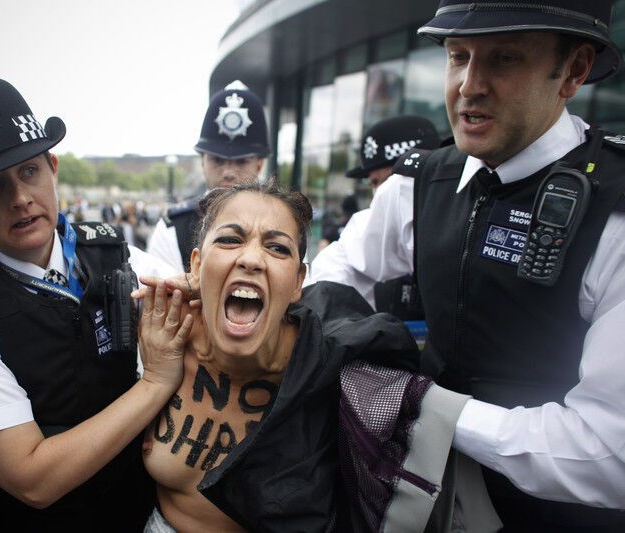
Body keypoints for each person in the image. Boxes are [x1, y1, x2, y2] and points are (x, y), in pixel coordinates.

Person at [334, 1, 625, 530]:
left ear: (574, 70)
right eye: (457, 56)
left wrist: (430, 409)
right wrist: (357, 352)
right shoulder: (419, 182)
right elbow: (337, 267)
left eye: (504, 59)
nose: (469, 85)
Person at [0, 77, 183, 532]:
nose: (20, 199)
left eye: (29, 172)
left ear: (52, 167)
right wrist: (155, 383)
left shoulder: (114, 254)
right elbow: (33, 479)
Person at [137, 181, 486, 532]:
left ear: (296, 283)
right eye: (230, 239)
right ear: (194, 266)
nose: (252, 259)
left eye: (277, 248)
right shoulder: (163, 335)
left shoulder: (331, 366)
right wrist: (153, 380)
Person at [308, 115, 440, 311]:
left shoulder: (455, 214)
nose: (380, 194)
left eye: (387, 182)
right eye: (374, 183)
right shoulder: (365, 231)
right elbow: (336, 269)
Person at [148, 81, 270, 274]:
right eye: (217, 160)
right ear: (202, 161)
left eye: (241, 162)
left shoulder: (283, 222)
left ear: (260, 164)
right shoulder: (173, 228)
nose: (228, 172)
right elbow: (163, 297)